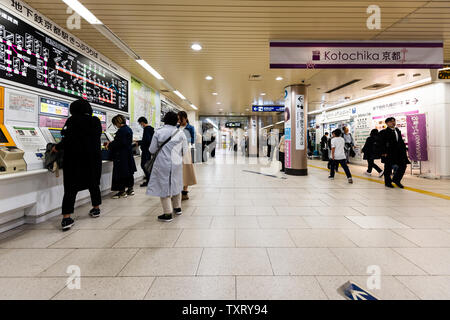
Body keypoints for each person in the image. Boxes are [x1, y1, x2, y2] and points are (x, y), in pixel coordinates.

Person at [52, 99, 102, 231]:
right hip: (92, 159)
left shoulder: (72, 121)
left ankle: (66, 218)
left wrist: (57, 147)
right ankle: (96, 209)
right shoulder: (95, 121)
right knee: (93, 184)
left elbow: (67, 139)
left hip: (74, 160)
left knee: (70, 188)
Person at [147, 112, 188, 222]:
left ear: (165, 120)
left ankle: (167, 213)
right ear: (176, 121)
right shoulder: (181, 133)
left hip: (162, 163)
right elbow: (185, 150)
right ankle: (177, 208)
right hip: (177, 163)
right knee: (176, 183)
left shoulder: (159, 132)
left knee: (163, 186)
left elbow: (151, 149)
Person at [107, 115, 137, 198]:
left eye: (115, 124)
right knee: (128, 173)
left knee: (120, 173)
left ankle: (122, 191)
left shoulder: (121, 131)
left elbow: (120, 143)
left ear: (118, 122)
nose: (115, 126)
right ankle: (130, 189)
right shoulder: (128, 129)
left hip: (121, 156)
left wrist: (111, 144)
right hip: (128, 154)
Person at [379, 117, 411, 188]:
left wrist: (405, 148)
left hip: (399, 153)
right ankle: (387, 182)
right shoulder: (383, 132)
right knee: (388, 168)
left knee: (403, 165)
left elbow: (400, 141)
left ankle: (396, 180)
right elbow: (381, 143)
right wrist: (383, 152)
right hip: (389, 153)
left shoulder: (397, 130)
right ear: (387, 123)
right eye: (391, 121)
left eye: (394, 121)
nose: (393, 123)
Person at [177, 111, 197, 201]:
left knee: (186, 171)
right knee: (178, 171)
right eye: (178, 118)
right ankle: (178, 190)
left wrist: (184, 138)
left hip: (186, 151)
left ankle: (185, 191)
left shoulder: (190, 128)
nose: (179, 120)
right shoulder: (176, 127)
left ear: (185, 118)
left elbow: (193, 140)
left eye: (180, 118)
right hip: (176, 152)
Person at [135, 117, 154, 187]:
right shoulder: (151, 128)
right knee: (148, 165)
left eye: (140, 123)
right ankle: (150, 179)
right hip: (150, 150)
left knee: (144, 165)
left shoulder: (147, 129)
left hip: (146, 150)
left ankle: (149, 181)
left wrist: (138, 142)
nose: (140, 125)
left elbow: (147, 140)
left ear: (142, 122)